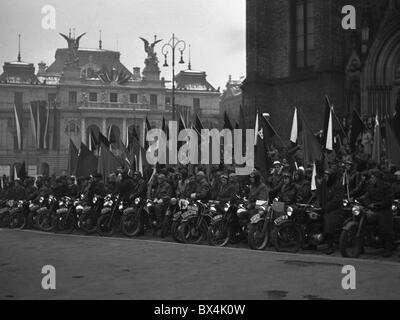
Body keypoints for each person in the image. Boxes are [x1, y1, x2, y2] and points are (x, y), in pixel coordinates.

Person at [359, 168, 394, 257]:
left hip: (384, 210)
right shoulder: (370, 186)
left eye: (373, 177)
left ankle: (388, 248)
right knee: (362, 218)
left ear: (377, 178)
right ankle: (361, 244)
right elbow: (366, 196)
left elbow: (389, 200)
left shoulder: (387, 186)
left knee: (385, 227)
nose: (371, 179)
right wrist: (363, 201)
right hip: (373, 210)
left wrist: (377, 205)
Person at [319, 169, 345, 255]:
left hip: (335, 210)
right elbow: (320, 196)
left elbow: (336, 201)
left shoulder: (338, 186)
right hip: (324, 208)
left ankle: (330, 245)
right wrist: (318, 205)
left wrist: (326, 207)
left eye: (327, 176)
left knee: (328, 220)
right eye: (325, 176)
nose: (325, 178)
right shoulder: (324, 185)